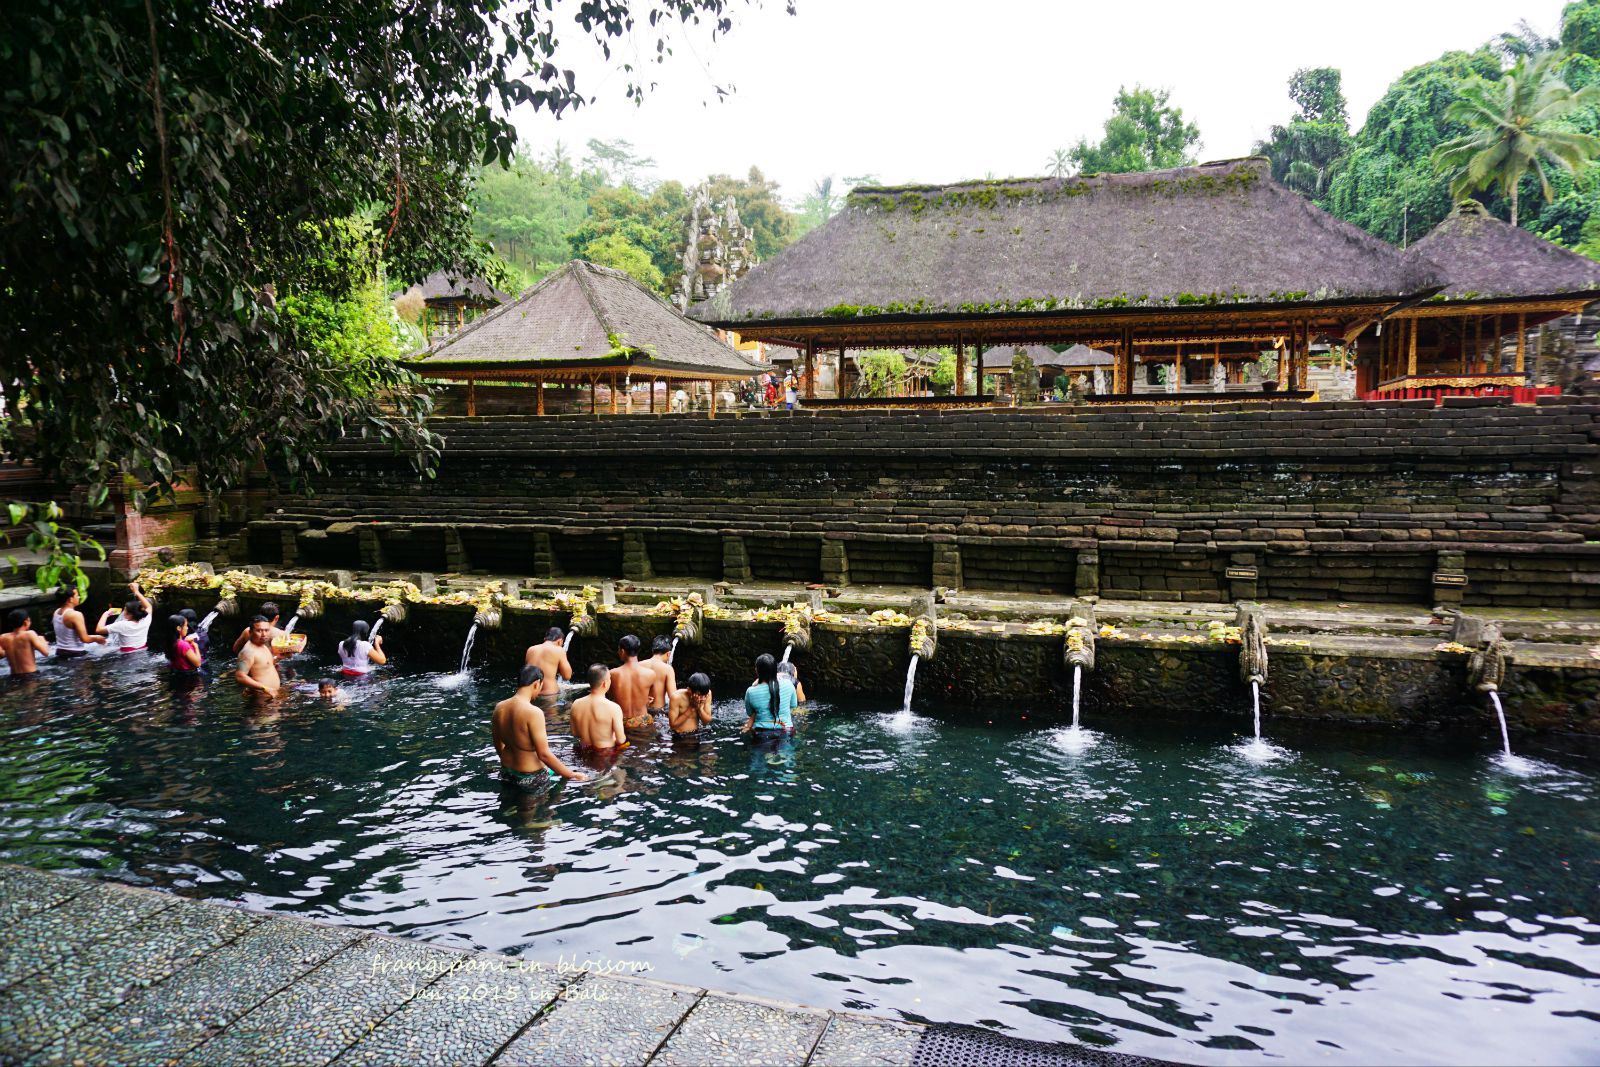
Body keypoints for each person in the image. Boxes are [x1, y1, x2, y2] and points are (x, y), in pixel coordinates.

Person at [492, 664, 588, 791]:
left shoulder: (500, 707)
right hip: (530, 777)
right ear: (537, 684)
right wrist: (571, 775)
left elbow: (498, 744)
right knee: (545, 810)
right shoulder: (533, 712)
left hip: (506, 772)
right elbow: (544, 754)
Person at [568, 664, 628, 758]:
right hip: (604, 755)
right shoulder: (613, 707)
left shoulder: (576, 704)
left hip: (583, 753)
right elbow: (621, 740)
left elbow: (575, 733)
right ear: (604, 683)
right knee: (622, 772)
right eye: (610, 679)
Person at [609, 634, 655, 736]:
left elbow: (610, 698)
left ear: (622, 651)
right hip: (643, 722)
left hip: (621, 722)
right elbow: (650, 699)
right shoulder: (650, 674)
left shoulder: (613, 674)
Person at [742, 653, 796, 737]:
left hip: (761, 733)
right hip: (786, 731)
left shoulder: (751, 691)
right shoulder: (788, 684)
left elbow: (750, 713)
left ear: (757, 671)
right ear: (775, 670)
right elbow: (793, 705)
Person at [96, 582, 153, 653]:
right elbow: (149, 606)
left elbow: (99, 630)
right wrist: (137, 592)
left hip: (126, 655)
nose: (123, 612)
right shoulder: (146, 619)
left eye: (125, 610)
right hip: (142, 650)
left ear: (130, 615)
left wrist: (105, 614)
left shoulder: (122, 625)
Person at [234, 615, 280, 697]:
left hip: (270, 695)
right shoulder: (248, 652)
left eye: (266, 630)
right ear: (250, 632)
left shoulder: (262, 645)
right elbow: (240, 676)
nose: (264, 634)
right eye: (259, 631)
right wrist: (265, 688)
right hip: (262, 698)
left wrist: (279, 657)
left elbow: (263, 664)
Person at [52, 588, 104, 659]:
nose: (79, 597)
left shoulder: (56, 612)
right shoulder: (75, 615)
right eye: (77, 595)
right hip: (75, 653)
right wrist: (97, 638)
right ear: (70, 599)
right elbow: (85, 639)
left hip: (60, 652)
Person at [523, 627, 573, 701]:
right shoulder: (559, 650)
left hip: (530, 694)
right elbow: (567, 676)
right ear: (560, 641)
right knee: (567, 707)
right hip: (549, 694)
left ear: (545, 639)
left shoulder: (531, 649)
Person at [668, 672, 714, 746]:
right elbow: (673, 725)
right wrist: (692, 708)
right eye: (699, 695)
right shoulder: (676, 697)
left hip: (698, 733)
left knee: (710, 756)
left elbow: (706, 721)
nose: (702, 699)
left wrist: (699, 709)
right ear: (689, 690)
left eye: (704, 695)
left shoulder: (707, 694)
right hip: (680, 736)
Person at [1, 608, 49, 675]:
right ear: (26, 622)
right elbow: (46, 653)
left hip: (13, 676)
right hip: (31, 675)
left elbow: (2, 654)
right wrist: (42, 640)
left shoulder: (3, 637)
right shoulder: (29, 634)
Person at [640, 634, 677, 716]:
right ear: (668, 654)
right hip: (658, 714)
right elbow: (674, 697)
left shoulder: (639, 665)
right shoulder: (667, 669)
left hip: (640, 711)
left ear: (653, 651)